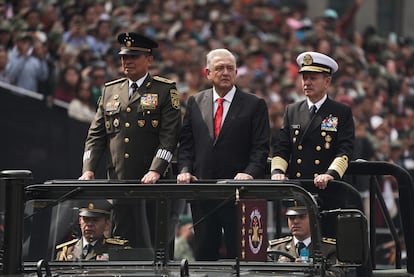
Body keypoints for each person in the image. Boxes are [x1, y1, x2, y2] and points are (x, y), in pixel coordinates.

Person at [79, 32, 182, 248]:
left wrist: (156, 170)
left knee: (155, 244)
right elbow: (95, 136)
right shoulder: (110, 90)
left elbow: (169, 136)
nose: (128, 61)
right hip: (120, 182)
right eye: (124, 57)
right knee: (122, 244)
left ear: (149, 60)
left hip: (154, 186)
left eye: (134, 57)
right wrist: (88, 169)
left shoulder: (164, 90)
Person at [177, 48, 270, 260]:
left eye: (230, 68)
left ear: (236, 73)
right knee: (204, 255)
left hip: (240, 193)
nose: (225, 72)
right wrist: (184, 170)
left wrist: (249, 173)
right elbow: (186, 145)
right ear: (207, 73)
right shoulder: (195, 102)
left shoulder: (254, 104)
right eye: (219, 68)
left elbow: (261, 148)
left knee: (241, 257)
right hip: (203, 191)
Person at [270, 51, 354, 195]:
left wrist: (331, 174)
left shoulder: (340, 111)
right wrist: (277, 171)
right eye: (304, 78)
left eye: (313, 78)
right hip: (299, 188)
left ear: (327, 81)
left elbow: (345, 150)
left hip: (327, 187)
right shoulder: (292, 110)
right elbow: (282, 147)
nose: (307, 83)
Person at [267, 205, 343, 277]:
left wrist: (311, 271)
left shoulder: (329, 249)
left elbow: (337, 274)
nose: (295, 222)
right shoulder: (277, 248)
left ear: (313, 219)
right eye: (291, 218)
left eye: (301, 217)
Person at [55, 200, 128, 261]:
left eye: (95, 220)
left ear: (107, 224)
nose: (89, 224)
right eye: (86, 219)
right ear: (80, 221)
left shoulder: (117, 251)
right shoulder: (66, 251)